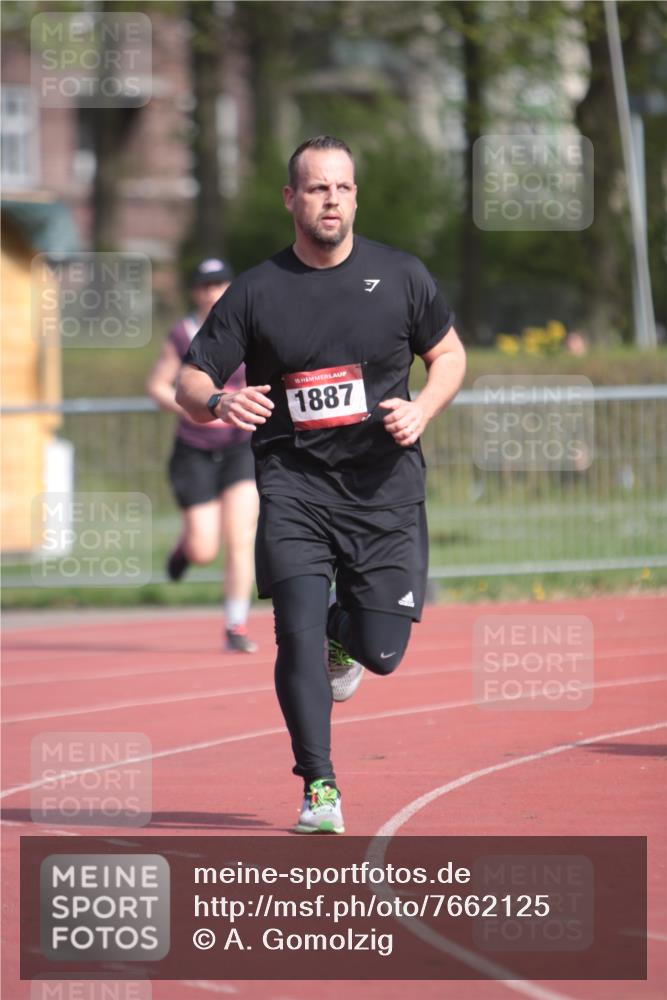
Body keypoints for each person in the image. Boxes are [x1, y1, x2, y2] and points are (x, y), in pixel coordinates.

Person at [176, 136, 466, 831]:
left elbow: (449, 354)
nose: (330, 199)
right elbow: (190, 379)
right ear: (291, 199)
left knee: (383, 653)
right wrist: (218, 401)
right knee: (294, 636)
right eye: (316, 188)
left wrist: (423, 408)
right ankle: (319, 786)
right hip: (294, 488)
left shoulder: (401, 275)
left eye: (341, 187)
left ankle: (345, 631)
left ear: (355, 196)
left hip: (383, 491)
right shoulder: (256, 291)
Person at [146, 258, 259, 654]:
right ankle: (185, 548)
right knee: (204, 548)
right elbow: (158, 385)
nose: (213, 292)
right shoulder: (183, 333)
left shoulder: (247, 326)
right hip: (194, 450)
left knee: (240, 537)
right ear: (195, 291)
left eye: (220, 284)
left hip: (240, 446)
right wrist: (192, 406)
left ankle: (235, 624)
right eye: (205, 285)